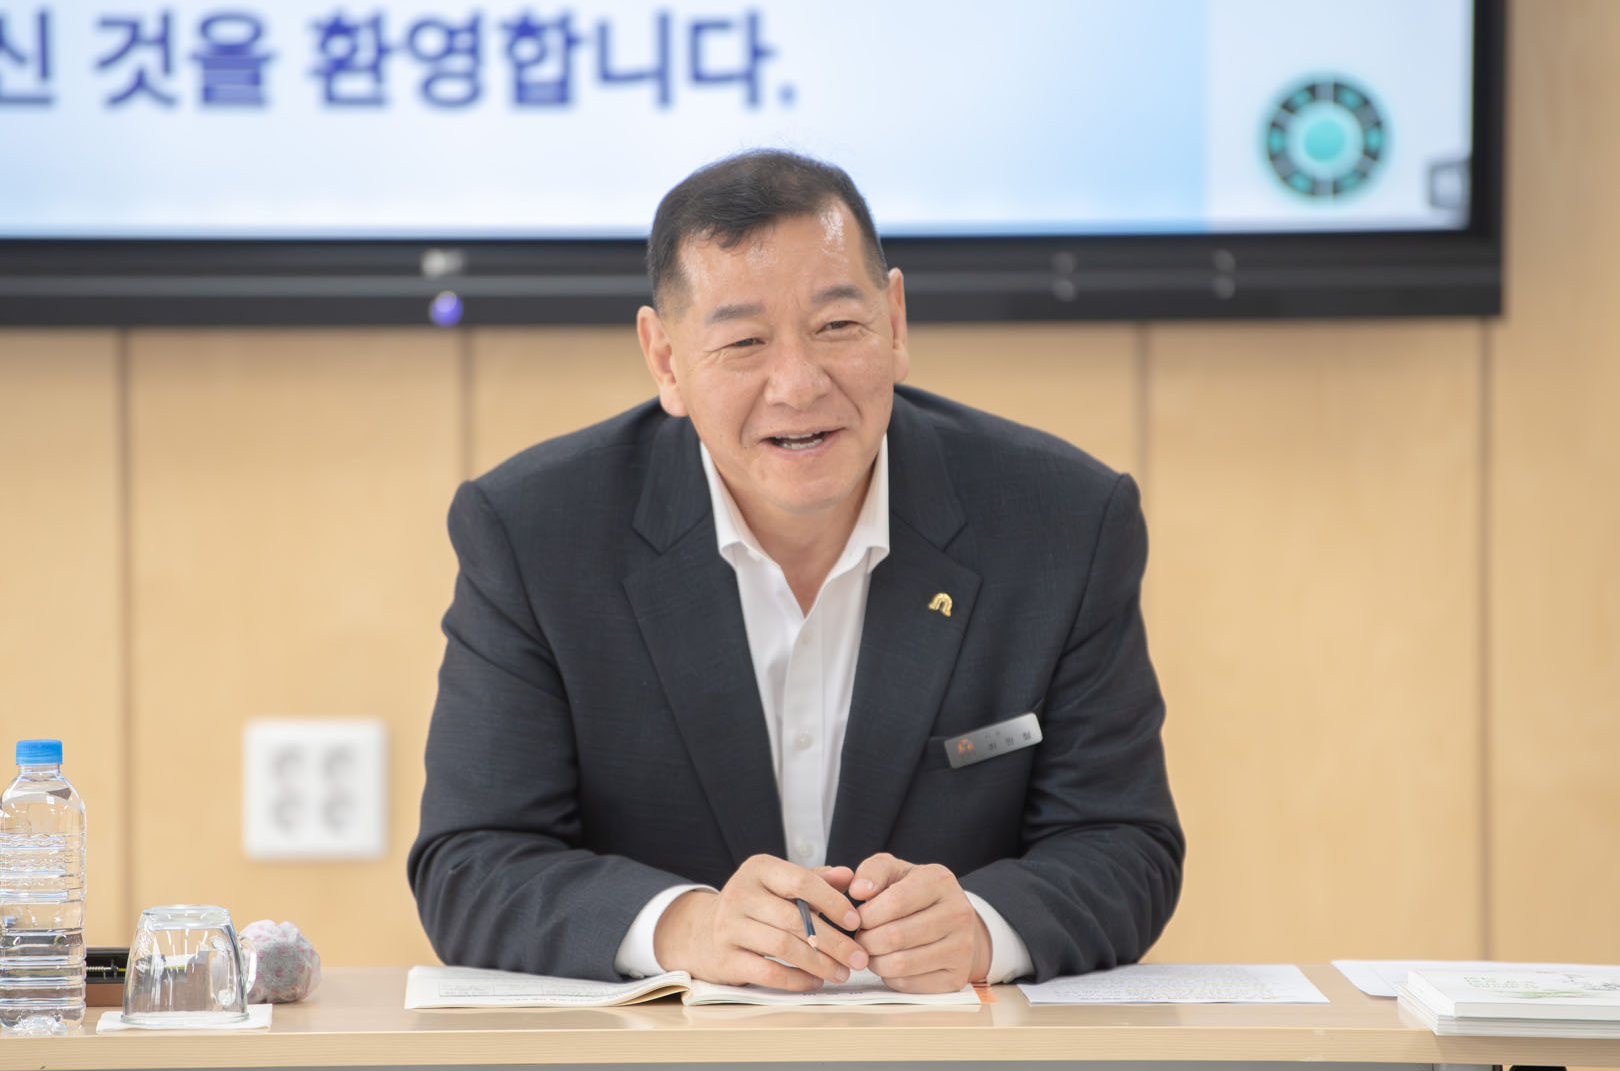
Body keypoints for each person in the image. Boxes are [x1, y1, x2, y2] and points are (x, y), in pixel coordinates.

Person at [408, 150, 1183, 992]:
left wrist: (981, 929)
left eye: (837, 327)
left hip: (949, 1044)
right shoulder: (536, 533)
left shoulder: (1060, 522)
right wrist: (687, 927)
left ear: (895, 322)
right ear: (666, 360)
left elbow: (1122, 843)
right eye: (744, 342)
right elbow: (471, 862)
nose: (799, 385)